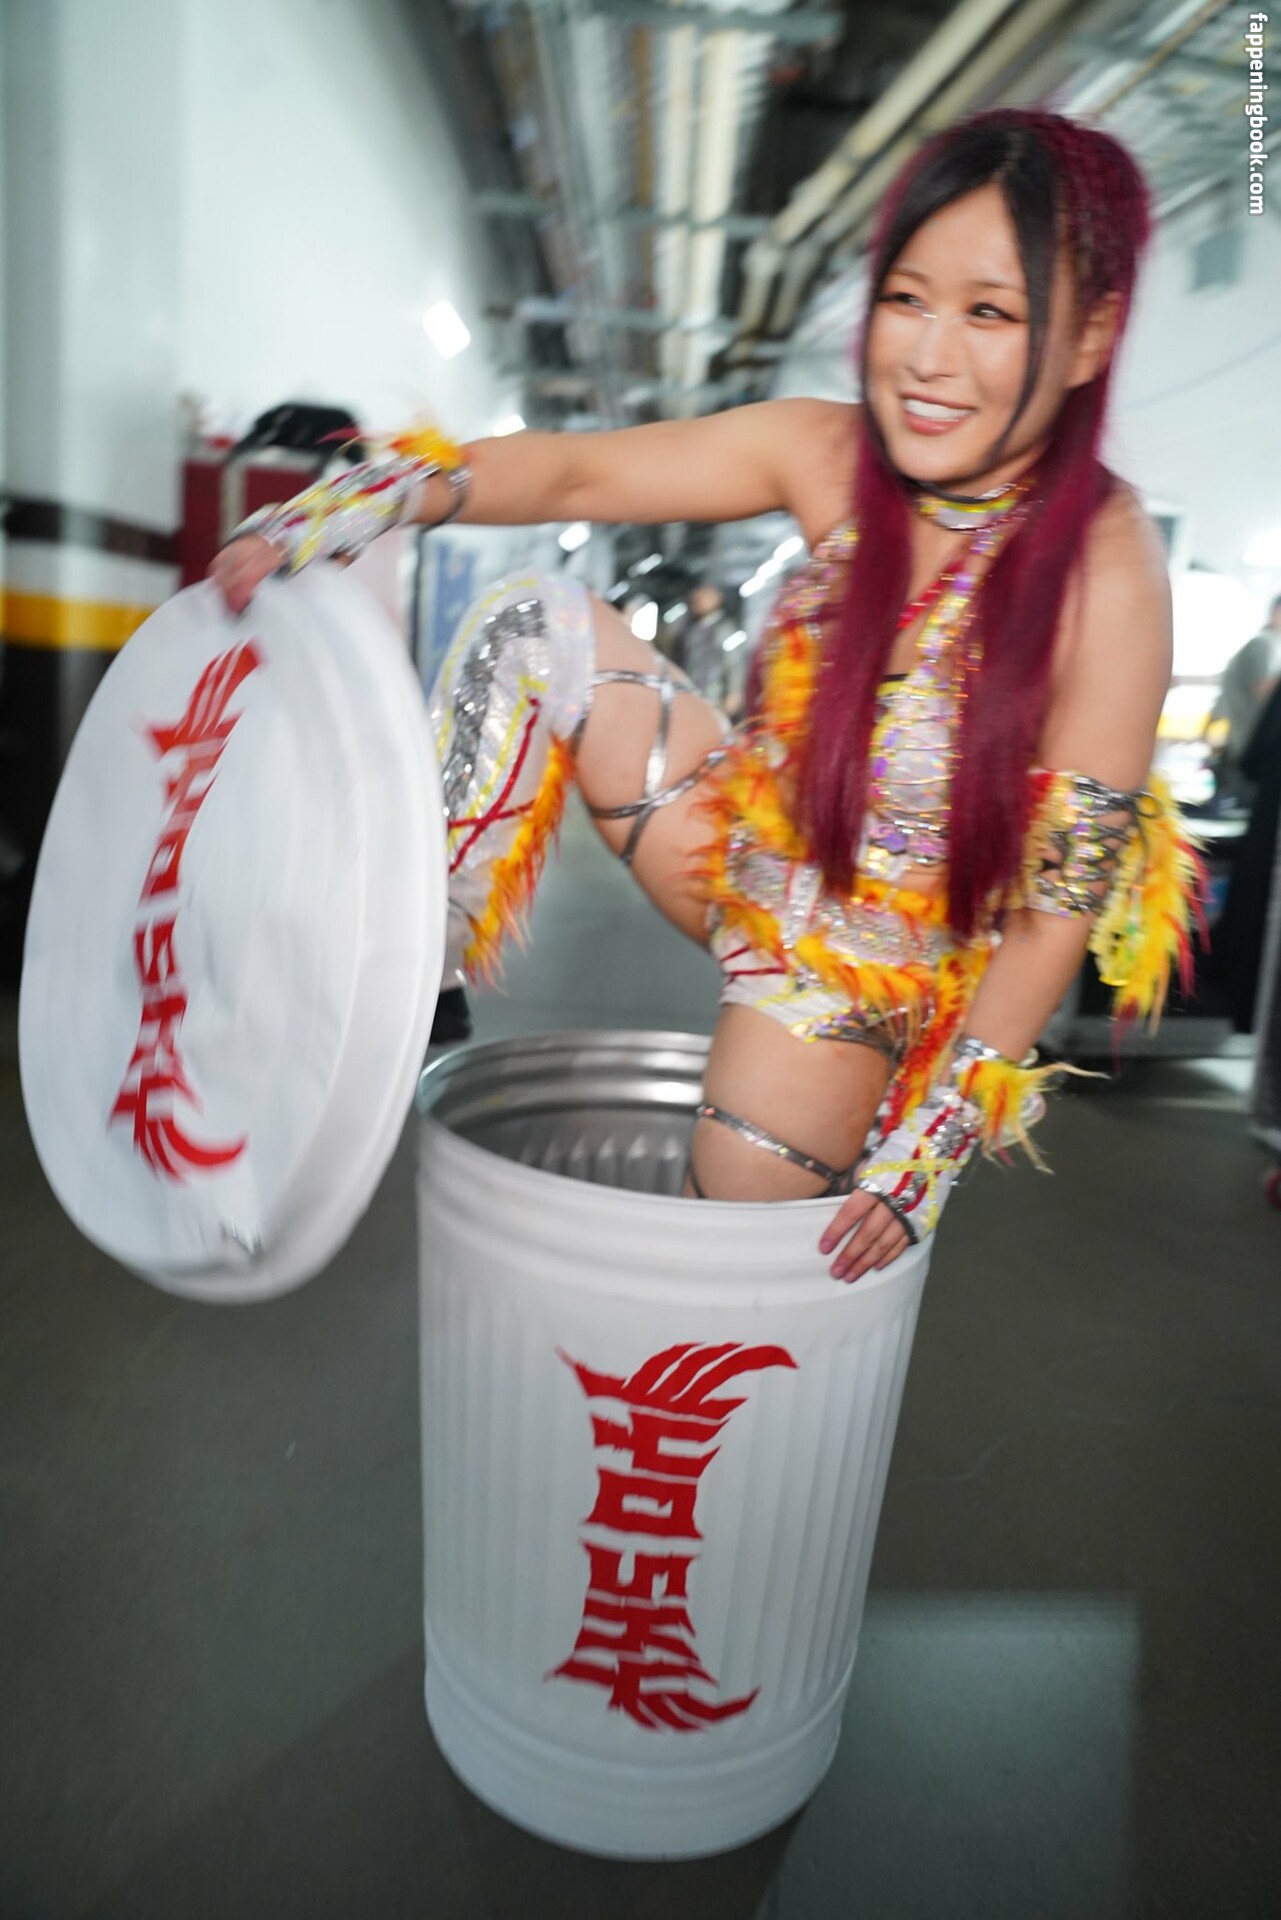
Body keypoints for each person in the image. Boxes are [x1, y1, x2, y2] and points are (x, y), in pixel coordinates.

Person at [211, 107, 1198, 1286]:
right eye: (906, 298)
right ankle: (400, 985)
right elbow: (580, 471)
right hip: (738, 850)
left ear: (1090, 337)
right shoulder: (830, 452)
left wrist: (932, 1143)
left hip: (845, 987)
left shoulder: (1108, 564)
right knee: (532, 622)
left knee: (712, 1284)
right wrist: (363, 499)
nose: (929, 358)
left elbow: (1055, 906)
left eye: (991, 313)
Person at [1205, 594, 1281, 809]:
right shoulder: (1264, 644)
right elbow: (1263, 689)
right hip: (1249, 742)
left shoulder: (1266, 643)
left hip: (1242, 742)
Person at [676, 583, 741, 717]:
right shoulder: (690, 630)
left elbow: (735, 662)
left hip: (715, 696)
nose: (697, 602)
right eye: (695, 599)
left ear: (716, 599)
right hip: (691, 694)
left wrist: (734, 691)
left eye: (702, 597)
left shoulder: (727, 629)